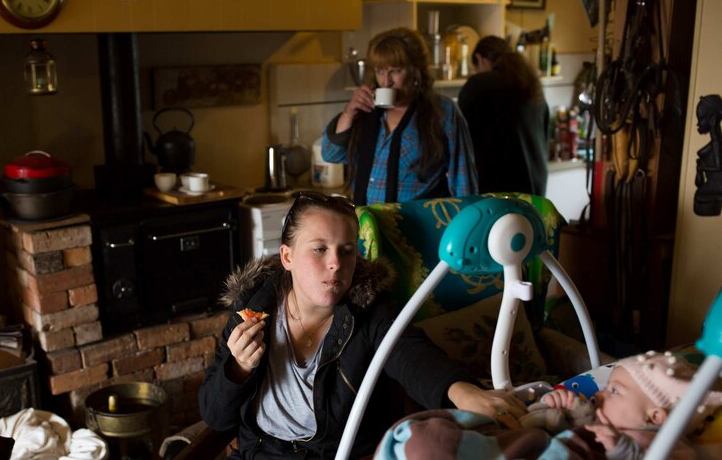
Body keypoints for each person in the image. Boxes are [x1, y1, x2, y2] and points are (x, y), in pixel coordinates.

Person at [198, 191, 526, 459]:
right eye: (319, 249)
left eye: (347, 251)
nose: (335, 264)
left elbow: (412, 354)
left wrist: (464, 393)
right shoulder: (252, 307)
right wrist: (238, 369)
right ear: (287, 257)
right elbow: (215, 416)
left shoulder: (368, 311)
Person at [320, 27, 479, 205]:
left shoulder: (441, 111)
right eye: (380, 72)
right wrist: (349, 112)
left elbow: (463, 181)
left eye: (395, 71)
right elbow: (330, 154)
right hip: (368, 225)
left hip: (418, 226)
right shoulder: (368, 110)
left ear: (415, 71)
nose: (386, 81)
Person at [538, 351, 722, 458]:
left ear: (655, 416)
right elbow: (569, 432)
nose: (598, 393)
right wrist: (558, 405)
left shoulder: (669, 445)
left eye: (614, 391)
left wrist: (622, 448)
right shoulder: (604, 422)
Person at [458, 35, 549, 195]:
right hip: (535, 188)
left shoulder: (478, 85)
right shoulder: (531, 84)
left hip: (496, 191)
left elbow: (461, 138)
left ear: (480, 59)